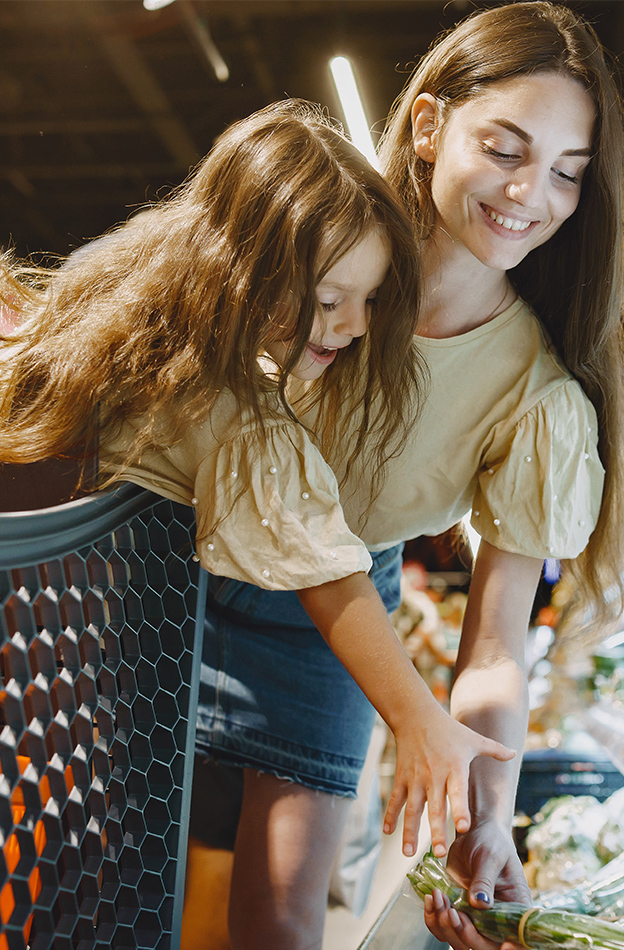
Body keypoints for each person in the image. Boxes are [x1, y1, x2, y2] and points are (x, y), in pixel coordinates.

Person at [0, 97, 517, 944]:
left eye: (368, 298)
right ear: (247, 268)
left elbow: (327, 566)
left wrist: (418, 716)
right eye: (330, 298)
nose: (355, 325)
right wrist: (420, 718)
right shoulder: (231, 406)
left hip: (59, 632)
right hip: (80, 638)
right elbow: (329, 571)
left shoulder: (128, 289)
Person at [185, 3, 624, 948]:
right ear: (429, 125)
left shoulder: (537, 397)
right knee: (125, 883)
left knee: (279, 921)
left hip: (337, 631)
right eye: (505, 148)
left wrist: (487, 815)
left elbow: (496, 650)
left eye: (567, 172)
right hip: (173, 566)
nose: (530, 193)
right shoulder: (326, 244)